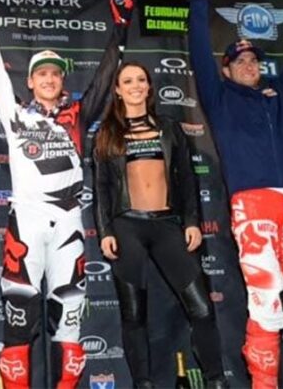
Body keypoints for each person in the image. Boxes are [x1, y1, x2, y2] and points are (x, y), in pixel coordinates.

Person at [182, 0, 283, 389]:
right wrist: (197, 1)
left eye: (254, 60)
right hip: (252, 205)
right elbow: (199, 52)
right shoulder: (219, 97)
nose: (249, 65)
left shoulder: (280, 94)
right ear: (226, 69)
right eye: (240, 61)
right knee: (266, 300)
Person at [0, 0, 133, 388]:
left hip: (68, 225)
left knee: (69, 320)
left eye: (55, 72)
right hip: (26, 222)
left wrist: (121, 26)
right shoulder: (15, 114)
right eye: (42, 73)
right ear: (30, 81)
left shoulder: (77, 115)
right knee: (18, 320)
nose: (49, 78)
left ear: (62, 80)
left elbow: (105, 77)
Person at [93, 62, 228, 389]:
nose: (135, 86)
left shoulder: (169, 127)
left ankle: (216, 380)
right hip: (127, 227)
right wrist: (105, 231)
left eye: (141, 79)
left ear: (149, 87)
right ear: (117, 90)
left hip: (168, 224)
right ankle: (143, 383)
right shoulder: (107, 133)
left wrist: (192, 221)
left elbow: (188, 179)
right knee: (133, 315)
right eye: (128, 81)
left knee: (202, 307)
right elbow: (101, 188)